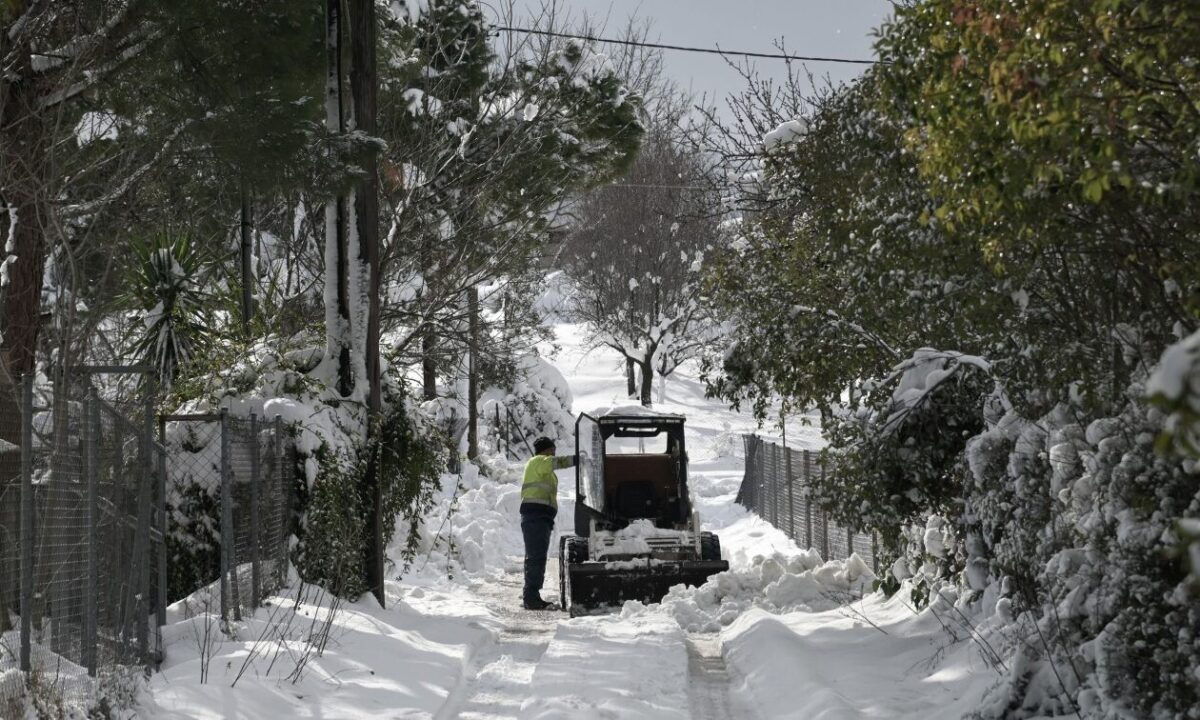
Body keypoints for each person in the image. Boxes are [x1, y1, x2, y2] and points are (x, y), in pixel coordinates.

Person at [520, 436, 576, 610]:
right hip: (536, 516)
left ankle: (531, 595)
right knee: (536, 557)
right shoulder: (538, 461)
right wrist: (577, 459)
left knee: (536, 556)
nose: (554, 453)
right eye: (552, 450)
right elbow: (556, 462)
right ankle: (531, 597)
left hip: (540, 517)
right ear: (546, 450)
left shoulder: (540, 466)